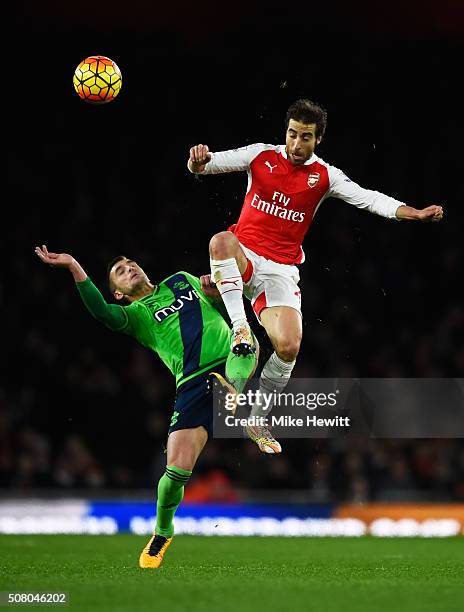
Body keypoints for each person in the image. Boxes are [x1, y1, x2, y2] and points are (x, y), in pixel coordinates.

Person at [188, 98, 444, 455]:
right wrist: (197, 160)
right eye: (292, 134)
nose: (295, 144)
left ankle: (257, 418)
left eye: (305, 137)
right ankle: (239, 327)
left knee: (289, 346)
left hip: (280, 270)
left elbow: (368, 198)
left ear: (318, 139)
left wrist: (412, 213)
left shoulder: (325, 176)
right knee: (220, 241)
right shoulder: (261, 155)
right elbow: (206, 165)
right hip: (242, 256)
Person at [34, 245, 258, 569]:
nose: (129, 268)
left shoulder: (182, 279)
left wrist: (217, 285)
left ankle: (235, 393)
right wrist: (72, 266)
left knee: (244, 340)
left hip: (229, 357)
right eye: (120, 272)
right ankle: (162, 532)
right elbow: (101, 312)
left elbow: (226, 294)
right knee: (175, 472)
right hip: (192, 384)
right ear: (120, 294)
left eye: (130, 263)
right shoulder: (136, 316)